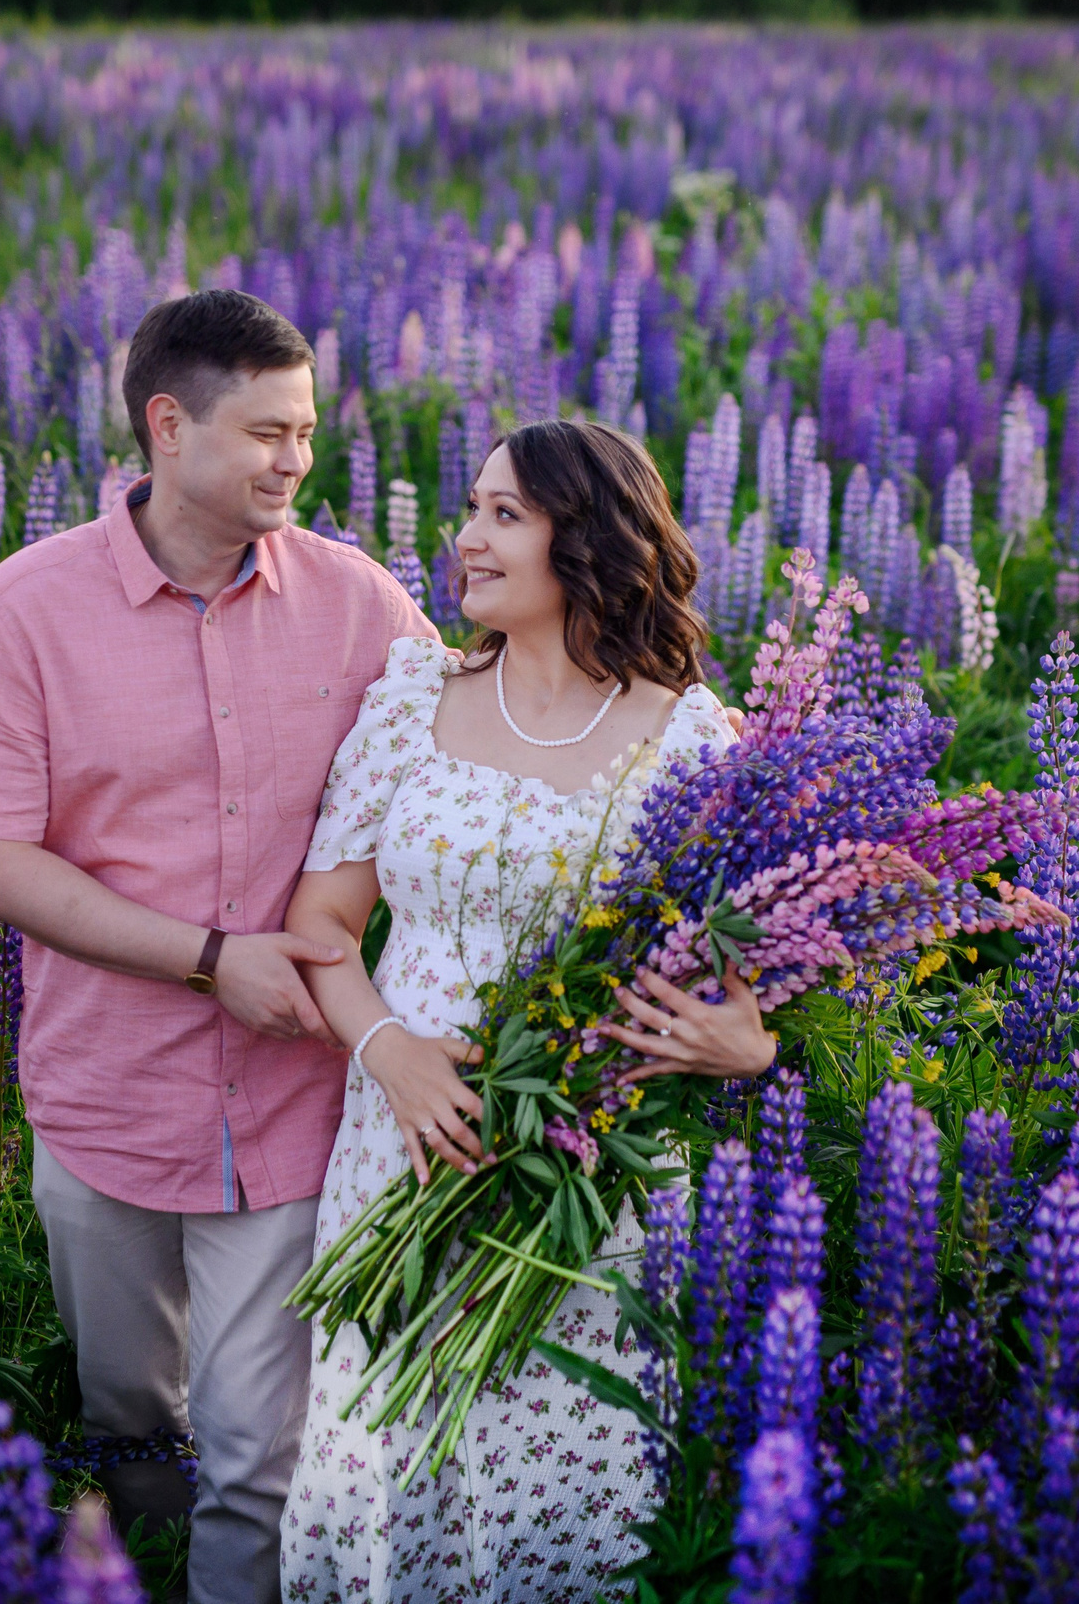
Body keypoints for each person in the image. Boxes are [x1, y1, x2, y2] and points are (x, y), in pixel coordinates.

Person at [0, 289, 435, 1604]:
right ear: (168, 426)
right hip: (103, 1091)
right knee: (130, 1411)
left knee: (256, 1462)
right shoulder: (27, 608)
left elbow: (464, 762)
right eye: (268, 431)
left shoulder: (359, 602)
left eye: (310, 431)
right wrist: (216, 955)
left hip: (289, 1102)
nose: (296, 460)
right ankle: (128, 1531)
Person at [277, 418, 777, 1602]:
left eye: (506, 514)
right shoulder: (415, 697)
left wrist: (743, 1045)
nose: (467, 539)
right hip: (403, 1147)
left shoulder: (691, 736)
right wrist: (389, 1047)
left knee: (567, 1480)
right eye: (472, 509)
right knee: (383, 1462)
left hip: (586, 1176)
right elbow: (319, 933)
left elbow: (743, 977)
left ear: (588, 538)